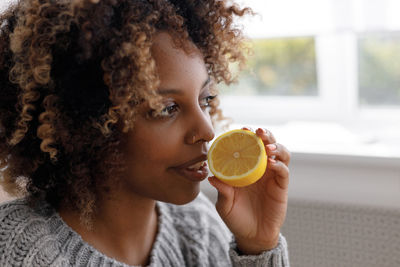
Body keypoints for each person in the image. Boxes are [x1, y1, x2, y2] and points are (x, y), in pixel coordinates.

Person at [0, 0, 291, 266]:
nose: (206, 130)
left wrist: (258, 247)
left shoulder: (197, 227)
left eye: (206, 99)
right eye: (167, 109)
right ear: (86, 124)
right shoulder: (16, 250)